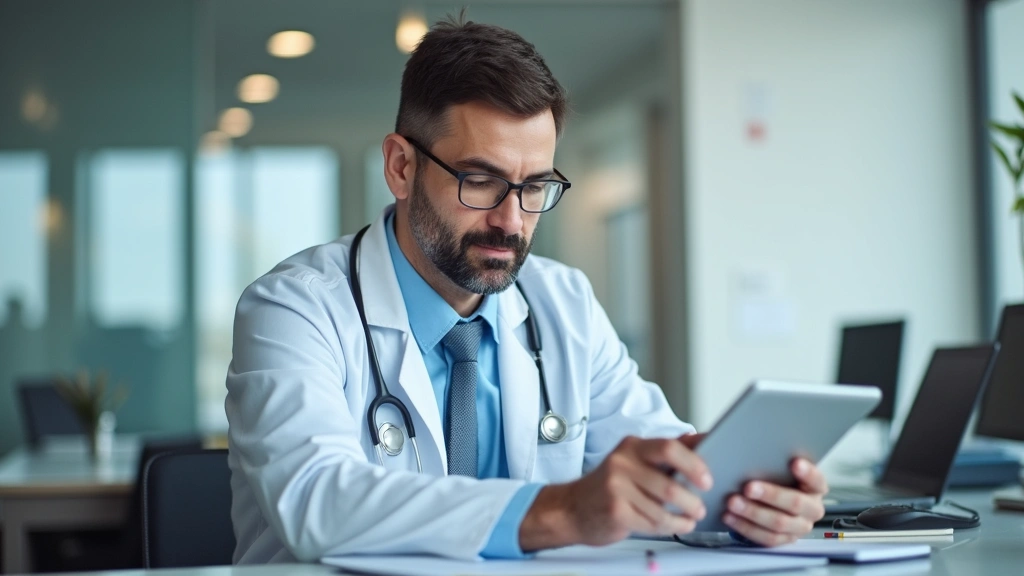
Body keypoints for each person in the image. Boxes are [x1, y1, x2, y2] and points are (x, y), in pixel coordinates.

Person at [225, 14, 827, 564]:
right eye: (481, 181)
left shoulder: (562, 301)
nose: (511, 221)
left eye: (534, 187)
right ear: (401, 167)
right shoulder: (293, 308)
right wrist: (566, 509)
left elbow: (658, 456)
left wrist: (740, 495)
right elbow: (317, 500)